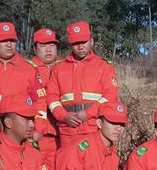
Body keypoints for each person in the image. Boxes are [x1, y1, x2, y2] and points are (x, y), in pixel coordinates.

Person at [45, 21, 119, 152]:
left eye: (84, 42)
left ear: (91, 41)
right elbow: (51, 97)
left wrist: (87, 114)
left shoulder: (104, 67)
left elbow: (110, 97)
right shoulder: (58, 68)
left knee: (93, 168)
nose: (80, 47)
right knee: (68, 168)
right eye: (76, 43)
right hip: (68, 129)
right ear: (70, 44)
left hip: (94, 128)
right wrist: (63, 116)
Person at [0, 21, 41, 114]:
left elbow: (39, 101)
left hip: (21, 124)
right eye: (3, 41)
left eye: (12, 40)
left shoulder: (30, 68)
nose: (9, 45)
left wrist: (38, 126)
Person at [30, 27, 61, 162]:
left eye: (52, 45)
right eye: (43, 45)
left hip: (61, 133)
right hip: (36, 133)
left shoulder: (66, 68)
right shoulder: (27, 69)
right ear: (35, 49)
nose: (48, 49)